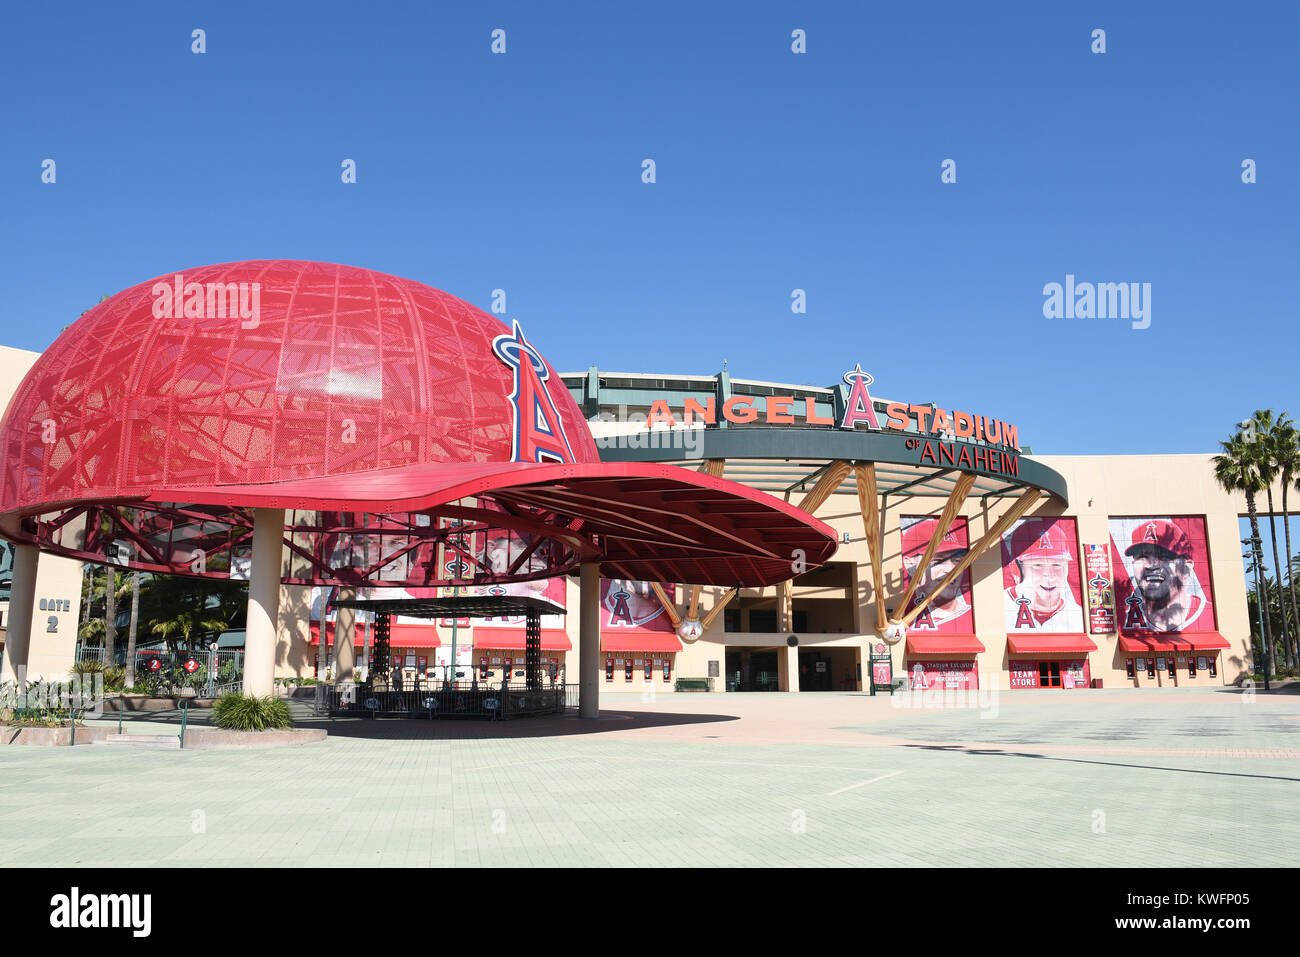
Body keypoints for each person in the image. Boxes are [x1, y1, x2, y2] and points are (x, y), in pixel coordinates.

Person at [1120, 519, 1209, 632]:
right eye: (1142, 557)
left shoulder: (1211, 615)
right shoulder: (1120, 617)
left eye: (1163, 557)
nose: (1151, 565)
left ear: (1187, 567)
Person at [1005, 520, 1085, 632]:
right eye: (1038, 565)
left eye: (1057, 565)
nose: (1049, 575)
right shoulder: (1000, 606)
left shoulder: (1077, 617)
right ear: (1016, 568)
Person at [901, 519, 970, 629]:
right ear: (910, 564)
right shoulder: (900, 615)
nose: (950, 570)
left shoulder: (974, 617)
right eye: (938, 561)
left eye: (956, 561)